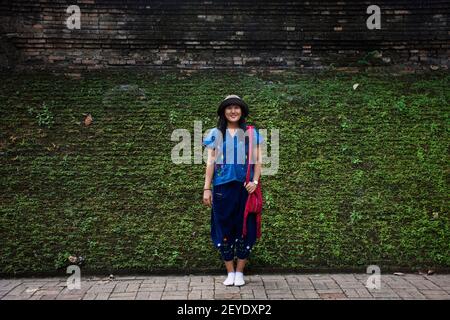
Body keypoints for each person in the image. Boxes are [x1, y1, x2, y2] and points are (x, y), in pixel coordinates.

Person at [202, 94, 264, 286]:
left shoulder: (251, 133)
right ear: (223, 112)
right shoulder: (215, 133)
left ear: (242, 111)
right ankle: (230, 272)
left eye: (237, 108)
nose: (233, 111)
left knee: (247, 228)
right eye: (229, 108)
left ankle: (240, 272)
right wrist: (206, 188)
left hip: (245, 188)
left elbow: (258, 160)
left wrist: (255, 180)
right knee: (224, 228)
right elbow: (210, 162)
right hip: (221, 188)